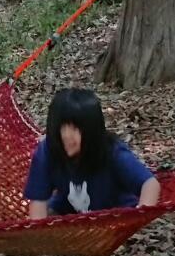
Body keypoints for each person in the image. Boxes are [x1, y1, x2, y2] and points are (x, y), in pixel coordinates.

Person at [24, 88, 160, 218]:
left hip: (115, 215)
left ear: (91, 130)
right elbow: (38, 203)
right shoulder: (47, 150)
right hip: (69, 215)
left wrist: (138, 216)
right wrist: (40, 238)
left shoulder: (112, 152)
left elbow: (150, 184)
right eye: (61, 127)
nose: (66, 135)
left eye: (75, 128)